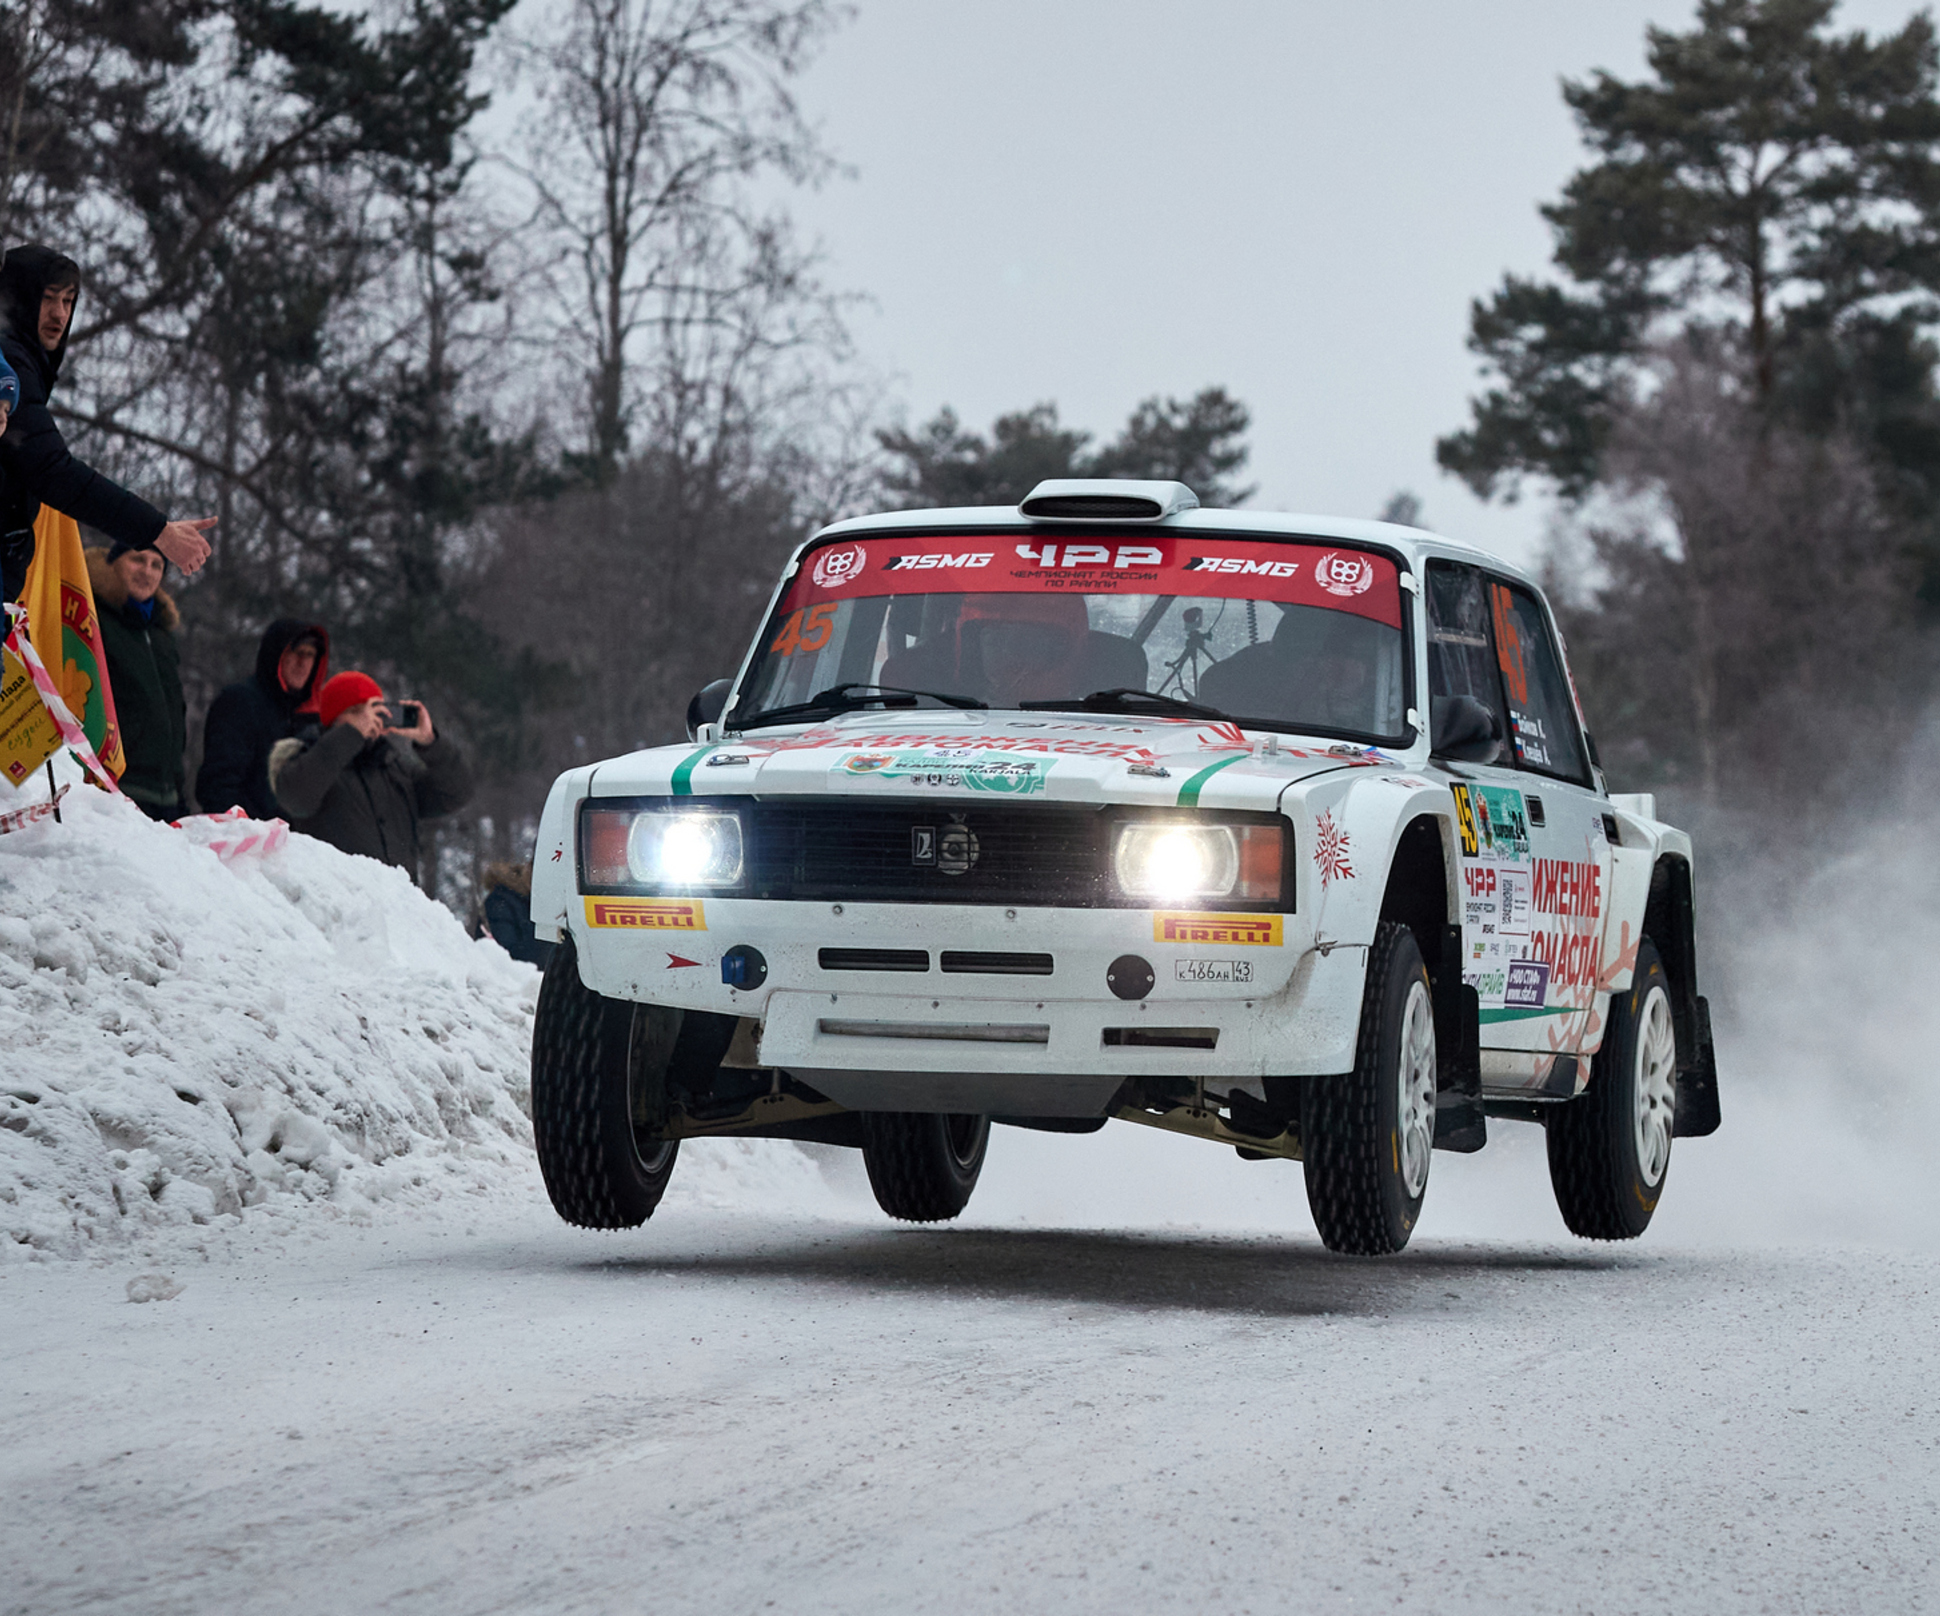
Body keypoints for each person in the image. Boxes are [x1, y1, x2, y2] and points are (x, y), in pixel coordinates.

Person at [0, 245, 216, 601]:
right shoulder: (9, 360)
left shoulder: (21, 363)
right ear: (18, 298)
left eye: (69, 301)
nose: (59, 313)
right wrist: (157, 530)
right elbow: (53, 471)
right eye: (48, 298)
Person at [268, 671, 474, 887]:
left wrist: (430, 743)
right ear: (334, 717)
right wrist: (352, 735)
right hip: (338, 911)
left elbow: (456, 793)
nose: (369, 719)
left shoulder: (395, 769)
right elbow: (296, 799)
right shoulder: (308, 762)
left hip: (399, 911)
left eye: (375, 710)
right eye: (357, 711)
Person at [86, 541, 186, 820]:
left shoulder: (162, 633)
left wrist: (179, 790)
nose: (147, 571)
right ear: (113, 563)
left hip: (166, 794)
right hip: (116, 789)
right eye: (138, 560)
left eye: (157, 565)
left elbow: (173, 713)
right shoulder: (93, 618)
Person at [196, 619, 331, 819]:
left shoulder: (312, 720)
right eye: (296, 652)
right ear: (277, 655)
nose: (303, 663)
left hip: (293, 844)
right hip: (245, 838)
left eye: (310, 655)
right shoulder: (240, 702)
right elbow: (219, 785)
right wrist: (245, 833)